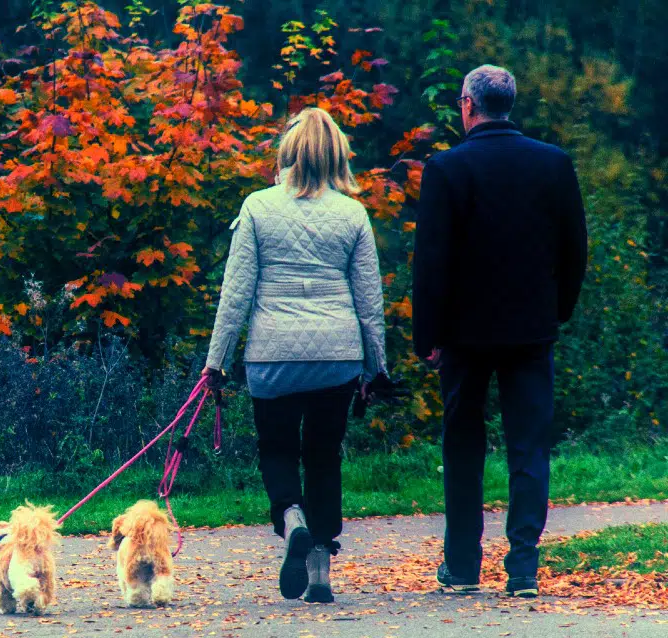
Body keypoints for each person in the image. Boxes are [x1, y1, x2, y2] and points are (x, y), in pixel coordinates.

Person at [413, 65, 588, 598]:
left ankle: (463, 565)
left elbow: (432, 262)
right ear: (509, 104)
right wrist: (556, 310)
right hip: (531, 329)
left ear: (467, 105)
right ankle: (523, 568)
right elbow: (575, 250)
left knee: (463, 444)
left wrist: (428, 335)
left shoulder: (445, 168)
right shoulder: (553, 164)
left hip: (465, 333)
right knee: (529, 447)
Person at [201, 107, 387, 604]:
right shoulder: (354, 213)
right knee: (324, 456)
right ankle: (321, 574)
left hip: (272, 355)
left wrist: (216, 361)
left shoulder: (259, 206)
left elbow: (235, 294)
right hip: (337, 355)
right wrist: (376, 366)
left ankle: (292, 518)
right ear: (335, 155)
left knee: (277, 449)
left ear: (287, 153)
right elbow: (369, 300)